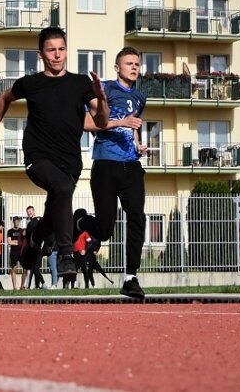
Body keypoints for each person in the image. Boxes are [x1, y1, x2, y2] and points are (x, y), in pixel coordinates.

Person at [0, 26, 109, 280]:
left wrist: (101, 99)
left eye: (61, 49)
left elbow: (101, 122)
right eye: (51, 50)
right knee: (60, 188)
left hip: (70, 161)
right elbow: (4, 99)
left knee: (53, 211)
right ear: (41, 54)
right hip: (37, 157)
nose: (57, 55)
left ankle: (34, 241)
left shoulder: (81, 83)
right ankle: (66, 255)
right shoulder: (31, 83)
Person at [83, 46, 148, 299]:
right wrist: (121, 122)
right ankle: (79, 221)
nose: (134, 67)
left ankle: (131, 277)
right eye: (129, 63)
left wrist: (137, 143)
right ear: (117, 67)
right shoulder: (105, 89)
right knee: (106, 228)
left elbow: (134, 125)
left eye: (137, 64)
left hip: (131, 165)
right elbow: (88, 123)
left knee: (137, 218)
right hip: (106, 164)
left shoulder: (140, 97)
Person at [24, 206, 46, 289]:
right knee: (33, 268)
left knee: (35, 267)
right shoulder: (31, 222)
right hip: (32, 248)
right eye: (28, 211)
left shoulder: (36, 221)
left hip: (37, 248)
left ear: (34, 211)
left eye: (30, 211)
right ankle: (40, 284)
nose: (29, 213)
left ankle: (39, 285)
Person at [7, 216, 23, 289]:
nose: (17, 223)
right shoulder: (10, 231)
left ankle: (22, 286)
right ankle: (14, 287)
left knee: (25, 268)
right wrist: (17, 242)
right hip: (13, 252)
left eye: (18, 221)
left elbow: (23, 242)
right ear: (13, 222)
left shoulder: (22, 231)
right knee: (14, 269)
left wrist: (16, 242)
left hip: (21, 252)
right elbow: (9, 242)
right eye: (15, 221)